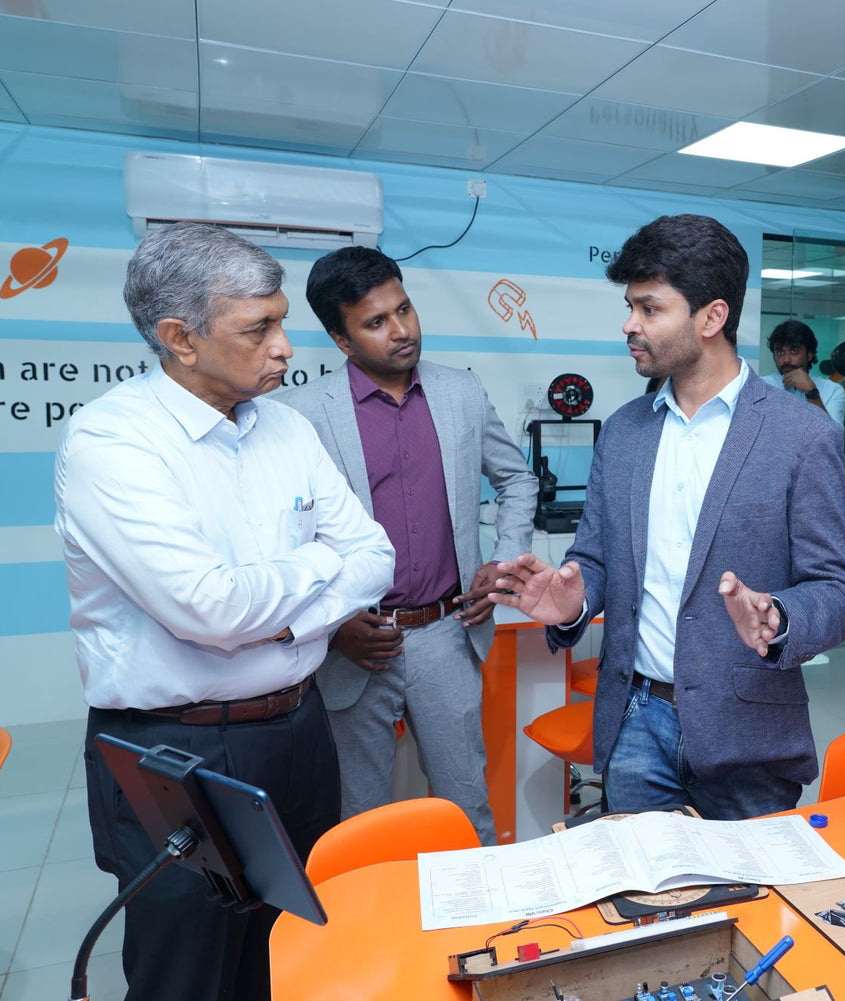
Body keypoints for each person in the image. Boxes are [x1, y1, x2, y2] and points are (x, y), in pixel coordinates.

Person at [54, 223, 395, 1001]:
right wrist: (320, 569)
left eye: (282, 322)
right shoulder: (113, 442)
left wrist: (275, 612)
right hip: (178, 751)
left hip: (299, 729)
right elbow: (208, 609)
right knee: (189, 972)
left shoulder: (288, 426)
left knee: (288, 957)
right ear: (181, 338)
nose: (284, 347)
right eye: (258, 328)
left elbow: (375, 555)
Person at [490, 214, 845, 820]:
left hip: (747, 732)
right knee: (641, 885)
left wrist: (779, 614)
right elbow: (595, 558)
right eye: (630, 308)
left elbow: (839, 591)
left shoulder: (802, 435)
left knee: (747, 884)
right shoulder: (623, 432)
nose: (630, 325)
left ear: (711, 318)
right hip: (634, 722)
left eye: (649, 309)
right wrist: (573, 601)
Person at [278, 247, 537, 844]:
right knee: (359, 819)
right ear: (341, 340)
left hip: (446, 632)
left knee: (465, 807)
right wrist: (332, 623)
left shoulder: (460, 392)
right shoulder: (299, 414)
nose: (401, 331)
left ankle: (479, 903)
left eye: (404, 309)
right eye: (375, 322)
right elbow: (278, 538)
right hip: (354, 644)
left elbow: (517, 480)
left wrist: (504, 561)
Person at [765, 319, 845, 425]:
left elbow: (833, 435)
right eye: (780, 352)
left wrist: (811, 392)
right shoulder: (762, 386)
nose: (786, 359)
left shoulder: (833, 390)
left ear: (809, 355)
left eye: (794, 351)